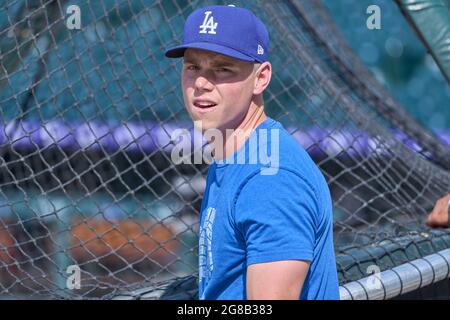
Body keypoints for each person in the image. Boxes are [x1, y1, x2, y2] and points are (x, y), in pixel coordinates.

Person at [165, 5, 339, 300]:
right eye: (193, 67)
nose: (202, 83)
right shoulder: (239, 155)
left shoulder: (270, 179)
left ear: (261, 78)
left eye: (222, 69)